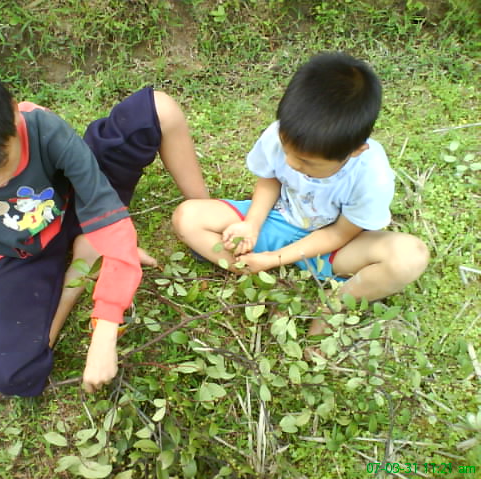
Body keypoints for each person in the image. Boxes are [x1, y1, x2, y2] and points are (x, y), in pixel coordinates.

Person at [0, 56, 208, 397]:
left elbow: (109, 216)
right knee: (7, 372)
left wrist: (105, 332)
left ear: (14, 113)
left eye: (2, 161)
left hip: (77, 201)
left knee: (156, 109)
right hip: (23, 252)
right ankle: (81, 267)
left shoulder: (42, 128)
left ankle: (205, 210)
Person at [172, 52, 429, 337]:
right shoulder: (282, 134)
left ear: (355, 151)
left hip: (333, 249)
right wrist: (252, 224)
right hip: (279, 219)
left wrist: (275, 258)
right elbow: (269, 180)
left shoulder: (373, 176)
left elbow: (340, 234)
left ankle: (333, 304)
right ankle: (255, 274)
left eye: (307, 162)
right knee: (187, 217)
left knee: (410, 257)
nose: (292, 163)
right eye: (286, 151)